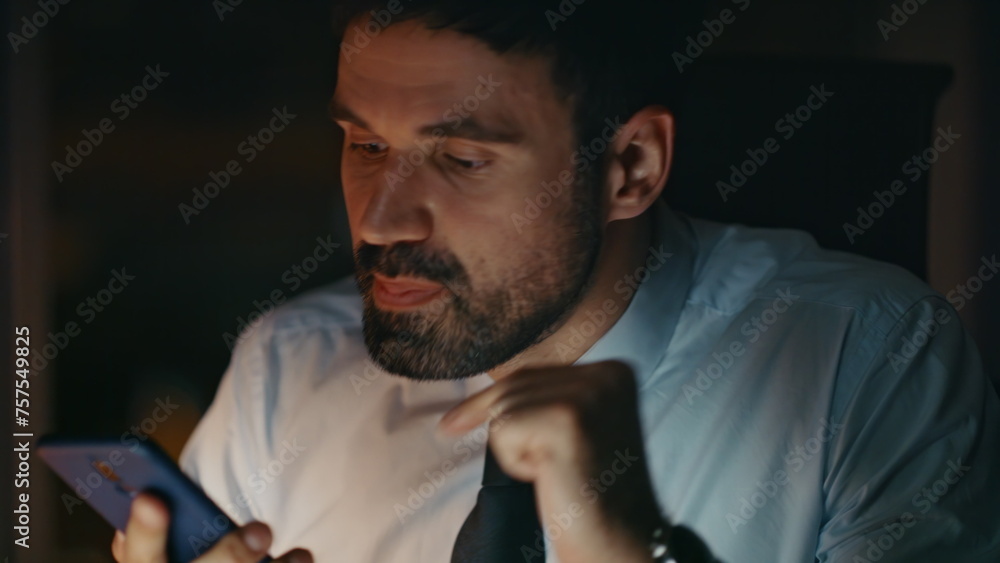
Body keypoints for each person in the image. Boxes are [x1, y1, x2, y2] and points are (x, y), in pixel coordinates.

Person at [112, 1, 1000, 562]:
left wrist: (625, 544)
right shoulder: (286, 371)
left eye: (460, 158)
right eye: (366, 144)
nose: (380, 221)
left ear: (631, 167)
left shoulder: (865, 357)